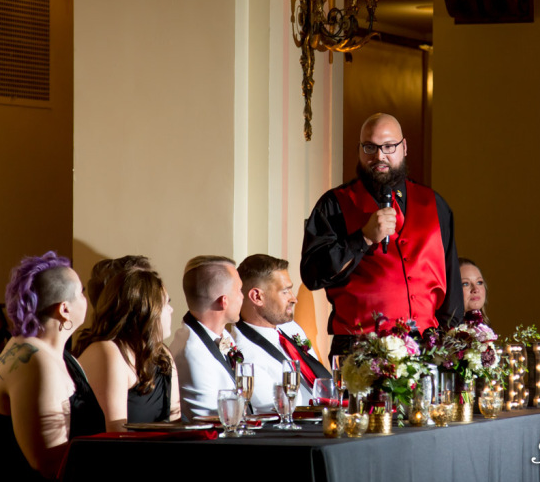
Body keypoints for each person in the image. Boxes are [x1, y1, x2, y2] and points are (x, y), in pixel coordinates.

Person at [301, 112, 464, 358]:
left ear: (404, 147)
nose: (379, 156)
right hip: (361, 349)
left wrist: (450, 349)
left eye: (389, 146)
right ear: (359, 149)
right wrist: (363, 238)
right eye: (370, 147)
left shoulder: (435, 204)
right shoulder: (333, 205)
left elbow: (450, 284)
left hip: (426, 347)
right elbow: (312, 275)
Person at [0, 252, 90, 482]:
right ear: (64, 309)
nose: (86, 298)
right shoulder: (35, 363)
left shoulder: (45, 351)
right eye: (81, 292)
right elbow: (47, 465)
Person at [74, 267, 180, 431]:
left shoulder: (162, 354)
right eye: (166, 303)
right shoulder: (106, 352)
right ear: (145, 311)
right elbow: (115, 434)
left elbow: (175, 421)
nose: (171, 310)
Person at [232, 254, 332, 411]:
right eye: (285, 292)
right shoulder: (244, 352)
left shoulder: (291, 328)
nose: (294, 299)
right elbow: (271, 410)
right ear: (257, 297)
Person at [170, 255, 243, 419]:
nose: (242, 297)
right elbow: (209, 420)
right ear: (224, 301)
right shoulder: (192, 352)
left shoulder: (223, 335)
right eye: (239, 291)